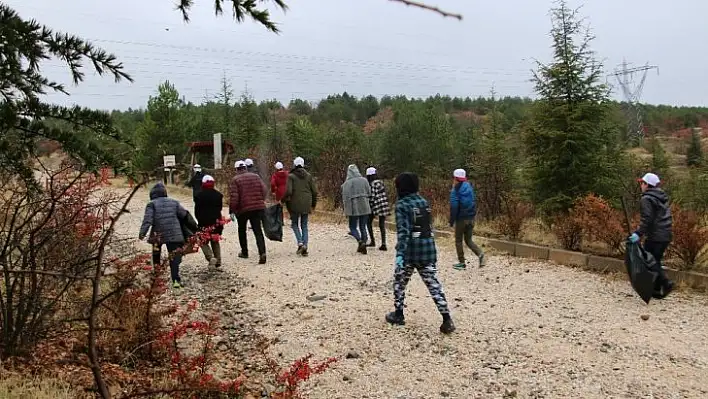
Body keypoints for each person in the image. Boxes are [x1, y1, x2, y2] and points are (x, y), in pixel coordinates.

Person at [385, 172, 455, 334]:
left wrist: (400, 254)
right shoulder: (424, 203)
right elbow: (429, 227)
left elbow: (404, 232)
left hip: (410, 252)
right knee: (433, 285)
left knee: (399, 283)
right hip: (427, 251)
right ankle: (447, 319)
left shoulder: (402, 205)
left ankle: (399, 314)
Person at [139, 182, 196, 289]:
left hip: (157, 236)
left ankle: (156, 278)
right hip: (174, 235)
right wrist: (195, 228)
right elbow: (185, 215)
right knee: (174, 257)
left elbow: (148, 220)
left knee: (156, 254)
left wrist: (142, 233)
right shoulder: (174, 202)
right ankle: (176, 281)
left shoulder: (151, 204)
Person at [629, 172, 674, 299]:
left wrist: (638, 233)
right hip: (665, 234)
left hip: (656, 236)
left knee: (648, 261)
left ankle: (666, 283)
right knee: (655, 261)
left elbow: (647, 219)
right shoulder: (661, 197)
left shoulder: (646, 199)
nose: (641, 185)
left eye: (642, 183)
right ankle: (655, 289)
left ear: (647, 185)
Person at [229, 160, 268, 264]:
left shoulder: (235, 179)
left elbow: (234, 197)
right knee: (258, 231)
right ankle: (262, 252)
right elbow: (264, 190)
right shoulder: (256, 176)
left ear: (236, 169)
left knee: (242, 230)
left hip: (243, 209)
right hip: (257, 207)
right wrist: (260, 200)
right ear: (245, 168)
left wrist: (232, 210)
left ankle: (244, 252)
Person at [449, 168, 485, 270]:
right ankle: (480, 254)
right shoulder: (469, 187)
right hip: (471, 218)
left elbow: (454, 207)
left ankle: (461, 263)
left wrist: (451, 221)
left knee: (458, 241)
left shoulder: (455, 190)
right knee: (468, 240)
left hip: (461, 219)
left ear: (455, 178)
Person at [284, 156, 318, 256]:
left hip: (294, 204)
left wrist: (283, 200)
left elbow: (289, 191)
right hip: (307, 203)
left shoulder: (291, 176)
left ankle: (300, 242)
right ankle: (305, 245)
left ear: (294, 165)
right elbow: (315, 192)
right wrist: (313, 204)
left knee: (294, 224)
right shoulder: (309, 176)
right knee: (304, 225)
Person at [194, 174, 224, 269]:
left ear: (203, 184)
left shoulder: (198, 196)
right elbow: (220, 208)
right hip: (216, 221)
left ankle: (211, 258)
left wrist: (199, 220)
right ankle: (218, 260)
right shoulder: (219, 195)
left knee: (203, 241)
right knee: (215, 240)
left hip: (204, 221)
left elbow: (197, 211)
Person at [341, 164, 372, 254]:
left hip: (353, 207)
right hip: (365, 205)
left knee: (352, 227)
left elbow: (345, 197)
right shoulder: (364, 180)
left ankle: (359, 241)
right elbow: (369, 192)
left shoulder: (347, 183)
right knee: (363, 226)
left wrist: (346, 210)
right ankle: (364, 243)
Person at [365, 166, 391, 251]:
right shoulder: (381, 182)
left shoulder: (372, 184)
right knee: (382, 224)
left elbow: (372, 196)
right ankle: (383, 243)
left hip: (376, 205)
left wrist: (368, 204)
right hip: (384, 204)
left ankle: (372, 241)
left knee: (368, 222)